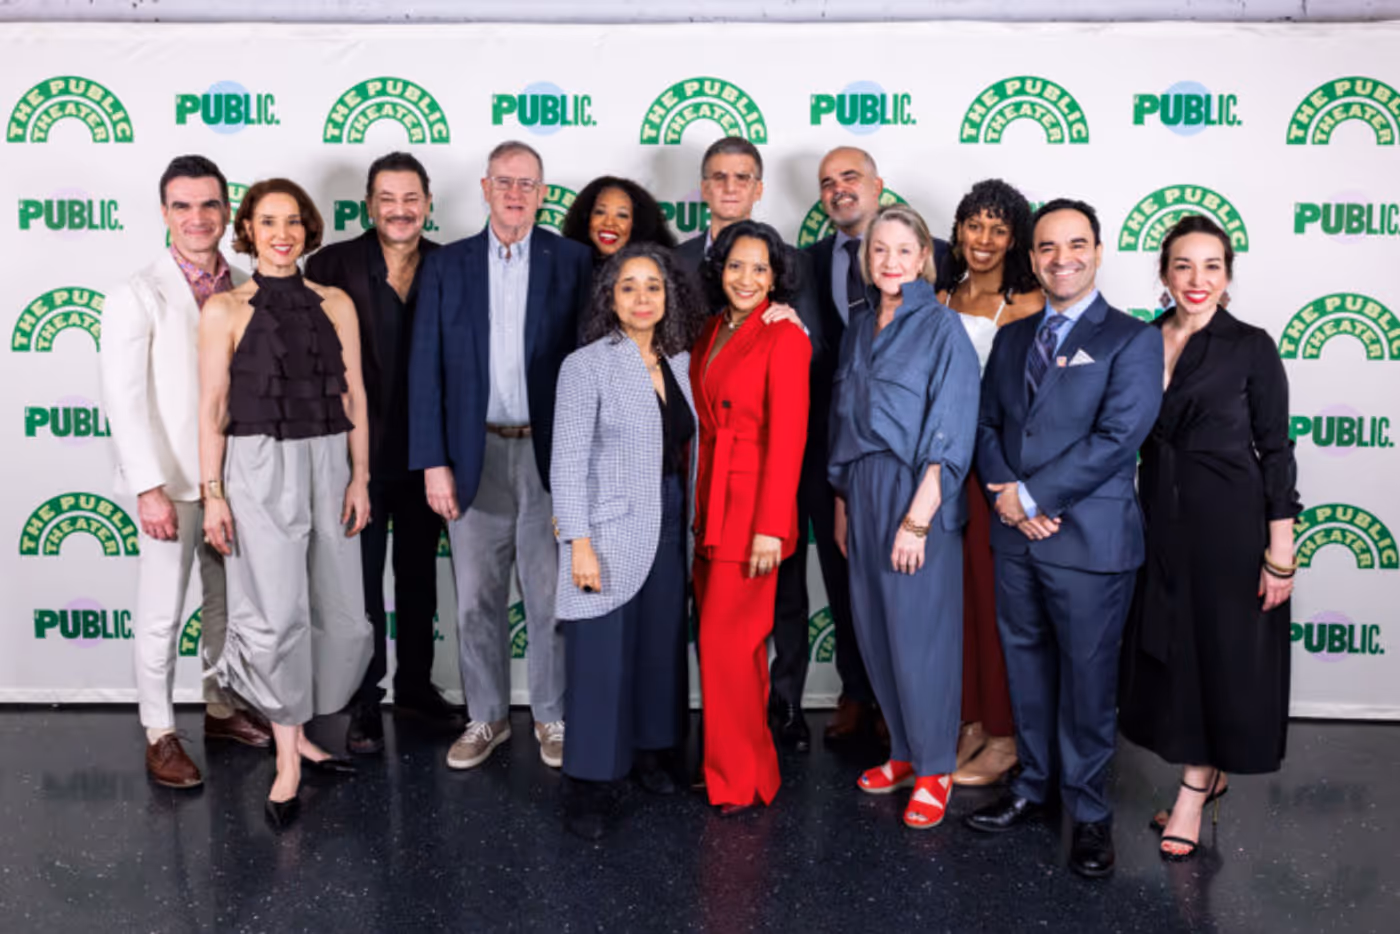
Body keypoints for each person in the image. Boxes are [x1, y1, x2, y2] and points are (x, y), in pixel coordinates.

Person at [966, 199, 1163, 879]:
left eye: (1075, 245)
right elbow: (986, 425)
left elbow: (1118, 439)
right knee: (1026, 669)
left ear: (1098, 251)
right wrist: (1008, 498)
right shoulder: (1017, 336)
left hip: (1089, 543)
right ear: (1034, 257)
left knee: (1086, 682)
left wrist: (1033, 496)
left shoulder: (1133, 339)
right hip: (1018, 538)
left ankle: (1089, 813)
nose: (1062, 259)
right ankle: (1033, 787)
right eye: (1048, 247)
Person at [1118, 214, 1301, 861]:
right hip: (1155, 521)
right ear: (1164, 274)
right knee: (1176, 654)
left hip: (1229, 520)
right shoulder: (1140, 339)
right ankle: (1205, 768)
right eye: (1184, 266)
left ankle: (1195, 790)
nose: (1198, 280)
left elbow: (1276, 450)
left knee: (1220, 654)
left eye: (1212, 267)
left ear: (1228, 276)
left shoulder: (1250, 345)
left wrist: (1281, 551)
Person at [408, 140, 593, 772]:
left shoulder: (573, 261)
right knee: (475, 600)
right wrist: (434, 461)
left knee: (549, 599)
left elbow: (591, 364)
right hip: (472, 456)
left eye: (529, 184)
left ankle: (551, 716)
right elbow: (424, 368)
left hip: (549, 458)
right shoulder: (448, 265)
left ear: (543, 194)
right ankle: (486, 716)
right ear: (485, 188)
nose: (516, 195)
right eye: (506, 182)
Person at [199, 178, 374, 828]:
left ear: (308, 229)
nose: (282, 233)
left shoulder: (337, 303)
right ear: (246, 230)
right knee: (273, 613)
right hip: (255, 464)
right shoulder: (225, 309)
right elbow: (211, 408)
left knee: (341, 612)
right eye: (268, 221)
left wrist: (360, 477)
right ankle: (289, 758)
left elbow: (354, 397)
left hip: (329, 460)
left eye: (293, 220)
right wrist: (212, 493)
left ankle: (299, 727)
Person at [100, 155, 273, 788]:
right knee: (162, 613)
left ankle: (223, 707)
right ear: (165, 212)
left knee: (229, 603)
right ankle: (160, 731)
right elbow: (124, 399)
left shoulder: (251, 283)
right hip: (170, 481)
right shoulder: (135, 292)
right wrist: (148, 488)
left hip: (237, 478)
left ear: (227, 211)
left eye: (208, 204)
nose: (197, 218)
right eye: (182, 205)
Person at [829, 204, 980, 829]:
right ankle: (903, 751)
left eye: (902, 250)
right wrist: (841, 500)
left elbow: (951, 433)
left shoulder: (944, 329)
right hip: (860, 489)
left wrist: (918, 520)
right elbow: (842, 417)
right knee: (874, 631)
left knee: (921, 638)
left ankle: (936, 766)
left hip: (915, 490)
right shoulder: (859, 326)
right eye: (879, 251)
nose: (889, 261)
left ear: (924, 258)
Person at [305, 152, 456, 756]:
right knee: (362, 586)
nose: (400, 209)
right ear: (369, 204)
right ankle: (366, 699)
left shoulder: (450, 266)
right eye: (387, 198)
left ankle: (416, 687)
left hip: (427, 458)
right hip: (353, 462)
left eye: (411, 198)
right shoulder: (331, 264)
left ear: (427, 202)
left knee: (420, 580)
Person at [550, 243, 703, 839]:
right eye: (629, 287)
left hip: (671, 519)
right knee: (601, 657)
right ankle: (590, 785)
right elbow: (566, 464)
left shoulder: (683, 363)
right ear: (609, 299)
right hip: (608, 527)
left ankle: (649, 754)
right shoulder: (585, 365)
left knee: (658, 645)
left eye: (654, 286)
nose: (643, 297)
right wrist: (578, 543)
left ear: (670, 297)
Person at [794, 146, 938, 748]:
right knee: (844, 570)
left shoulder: (929, 265)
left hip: (909, 456)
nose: (839, 189)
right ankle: (858, 689)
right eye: (827, 183)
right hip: (832, 446)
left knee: (906, 585)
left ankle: (903, 705)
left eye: (850, 177)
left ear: (879, 184)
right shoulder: (801, 263)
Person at [690, 220, 810, 814]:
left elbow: (789, 440)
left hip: (750, 515)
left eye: (760, 268)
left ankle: (737, 780)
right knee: (726, 653)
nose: (746, 278)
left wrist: (772, 525)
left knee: (728, 648)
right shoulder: (712, 327)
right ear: (719, 269)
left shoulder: (785, 336)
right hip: (708, 504)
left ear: (776, 276)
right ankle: (748, 770)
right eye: (737, 265)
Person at [934, 179, 1044, 787]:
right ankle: (971, 721)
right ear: (958, 230)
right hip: (939, 469)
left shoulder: (1026, 305)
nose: (984, 239)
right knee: (957, 605)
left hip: (990, 471)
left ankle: (1005, 735)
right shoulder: (939, 294)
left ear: (1015, 239)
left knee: (994, 602)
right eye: (974, 224)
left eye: (999, 229)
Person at [673, 137, 766, 285]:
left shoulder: (794, 262)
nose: (730, 188)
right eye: (719, 177)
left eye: (741, 178)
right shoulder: (673, 261)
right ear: (705, 189)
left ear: (758, 190)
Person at [560, 176, 676, 265]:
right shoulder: (566, 271)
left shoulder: (656, 273)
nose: (609, 223)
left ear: (638, 224)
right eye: (600, 212)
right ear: (586, 217)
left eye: (622, 215)